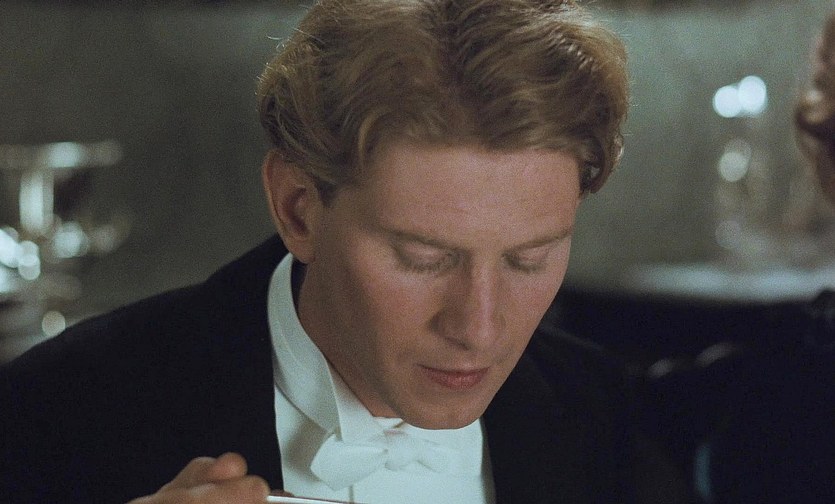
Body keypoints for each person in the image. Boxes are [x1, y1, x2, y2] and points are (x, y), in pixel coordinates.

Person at [0, 0, 661, 502]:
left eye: (528, 259)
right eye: (423, 258)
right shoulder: (56, 410)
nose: (477, 329)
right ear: (298, 208)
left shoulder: (606, 415)